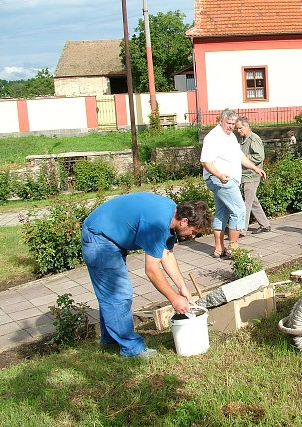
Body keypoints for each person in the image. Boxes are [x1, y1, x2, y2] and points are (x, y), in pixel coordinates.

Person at [81, 193, 212, 358]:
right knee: (119, 292)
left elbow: (167, 255)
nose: (192, 236)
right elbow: (151, 270)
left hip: (109, 235)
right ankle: (131, 349)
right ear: (184, 221)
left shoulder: (172, 214)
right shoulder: (158, 224)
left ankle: (110, 341)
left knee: (111, 293)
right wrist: (174, 299)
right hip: (99, 237)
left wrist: (183, 288)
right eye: (193, 232)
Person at [200, 109, 267, 258]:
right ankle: (233, 246)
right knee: (239, 210)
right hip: (220, 179)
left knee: (222, 212)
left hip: (226, 179)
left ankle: (219, 248)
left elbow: (240, 156)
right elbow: (206, 161)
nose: (231, 127)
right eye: (228, 124)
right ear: (221, 121)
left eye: (233, 124)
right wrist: (219, 174)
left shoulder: (230, 137)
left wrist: (255, 168)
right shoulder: (213, 137)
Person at [236, 116, 271, 235]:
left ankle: (242, 229)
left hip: (252, 175)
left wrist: (244, 158)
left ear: (246, 126)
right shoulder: (242, 139)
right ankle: (265, 225)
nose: (238, 130)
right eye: (237, 128)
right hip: (245, 175)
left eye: (240, 128)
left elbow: (259, 156)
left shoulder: (254, 139)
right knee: (253, 201)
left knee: (246, 203)